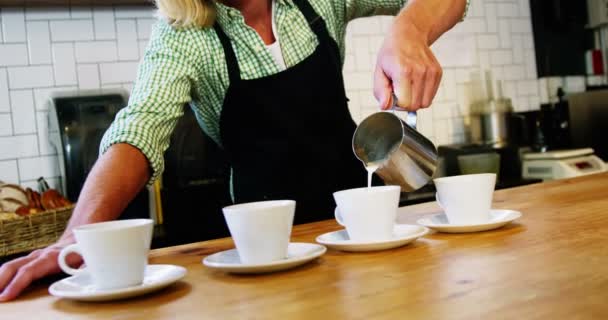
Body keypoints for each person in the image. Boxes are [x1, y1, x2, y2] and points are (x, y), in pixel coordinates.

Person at [0, 0, 467, 301]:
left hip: (359, 240)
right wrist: (75, 236)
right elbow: (137, 132)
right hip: (267, 262)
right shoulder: (184, 37)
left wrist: (410, 29)